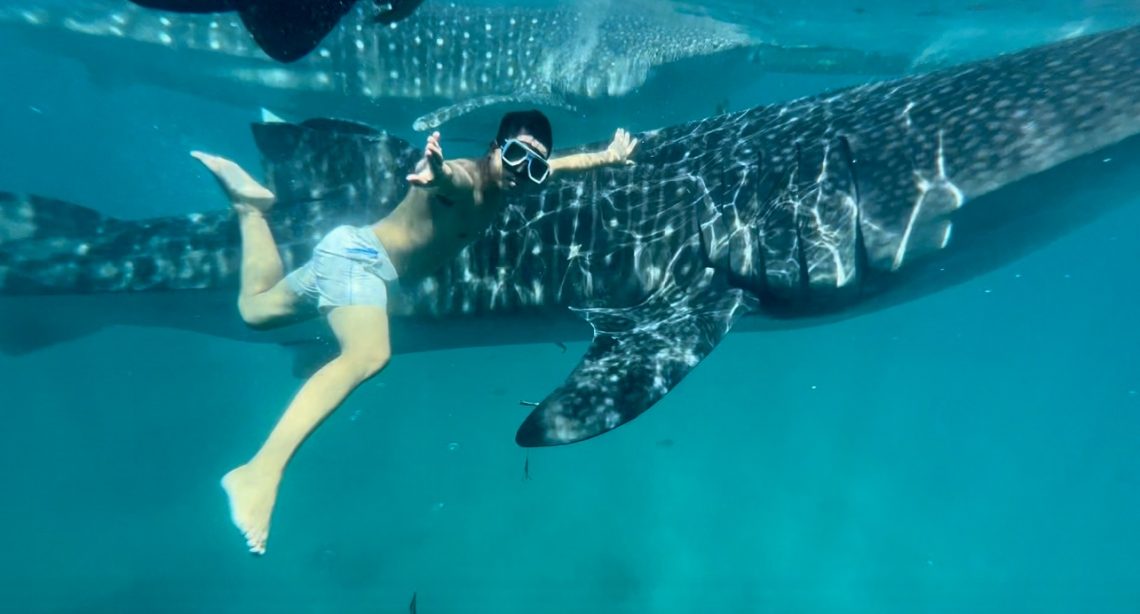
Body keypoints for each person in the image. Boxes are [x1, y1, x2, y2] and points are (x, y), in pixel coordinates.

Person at [190, 110, 638, 555]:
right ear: (494, 148)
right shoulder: (466, 179)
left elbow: (561, 165)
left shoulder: (514, 178)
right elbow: (450, 180)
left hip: (351, 253)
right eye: (518, 156)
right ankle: (260, 471)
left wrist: (609, 156)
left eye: (534, 166)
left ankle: (250, 208)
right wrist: (435, 172)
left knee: (253, 310)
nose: (525, 172)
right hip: (359, 260)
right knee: (367, 356)